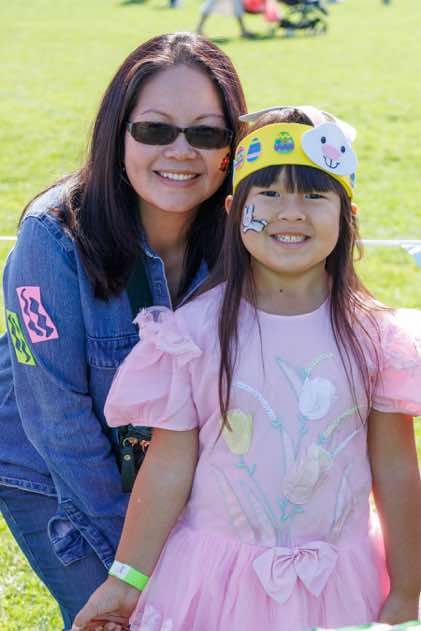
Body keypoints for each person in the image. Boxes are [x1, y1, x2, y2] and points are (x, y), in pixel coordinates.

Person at [72, 105, 421, 631]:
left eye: (314, 195)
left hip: (340, 588)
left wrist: (408, 589)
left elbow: (395, 469)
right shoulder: (193, 335)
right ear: (235, 210)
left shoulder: (376, 339)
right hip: (215, 588)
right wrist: (125, 580)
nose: (291, 212)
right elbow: (168, 467)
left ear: (347, 214)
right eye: (270, 194)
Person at [0, 32, 247, 631]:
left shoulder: (244, 231)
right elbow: (58, 424)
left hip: (171, 472)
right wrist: (137, 564)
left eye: (206, 134)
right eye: (155, 129)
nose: (180, 151)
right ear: (119, 134)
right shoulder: (52, 236)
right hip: (52, 473)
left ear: (231, 148)